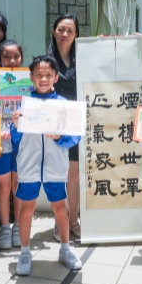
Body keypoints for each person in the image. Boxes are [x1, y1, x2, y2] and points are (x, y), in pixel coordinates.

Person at [11, 55, 83, 276]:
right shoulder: (23, 104)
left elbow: (75, 137)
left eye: (48, 75)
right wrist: (16, 125)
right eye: (38, 75)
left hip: (55, 166)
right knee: (27, 208)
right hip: (29, 165)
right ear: (31, 77)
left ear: (56, 77)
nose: (43, 78)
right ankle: (25, 252)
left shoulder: (63, 105)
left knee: (60, 207)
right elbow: (14, 139)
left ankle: (65, 249)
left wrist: (61, 137)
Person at [48, 15, 83, 240]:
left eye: (70, 31)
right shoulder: (46, 60)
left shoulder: (84, 58)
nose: (65, 34)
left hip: (75, 122)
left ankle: (73, 220)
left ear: (76, 35)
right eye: (61, 29)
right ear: (54, 31)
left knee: (74, 174)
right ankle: (58, 219)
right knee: (56, 174)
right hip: (52, 122)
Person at [0, 40, 24, 250]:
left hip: (21, 140)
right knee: (3, 186)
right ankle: (4, 227)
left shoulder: (29, 81)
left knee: (17, 184)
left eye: (16, 56)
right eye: (6, 57)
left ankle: (18, 226)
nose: (11, 61)